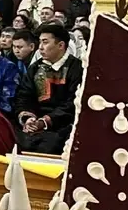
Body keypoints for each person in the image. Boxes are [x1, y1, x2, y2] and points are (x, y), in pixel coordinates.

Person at [15, 21, 81, 155]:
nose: (40, 47)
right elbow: (24, 96)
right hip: (35, 122)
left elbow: (73, 103)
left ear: (61, 45)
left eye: (45, 42)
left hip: (63, 125)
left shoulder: (77, 68)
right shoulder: (35, 68)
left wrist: (45, 121)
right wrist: (28, 119)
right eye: (40, 42)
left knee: (51, 144)